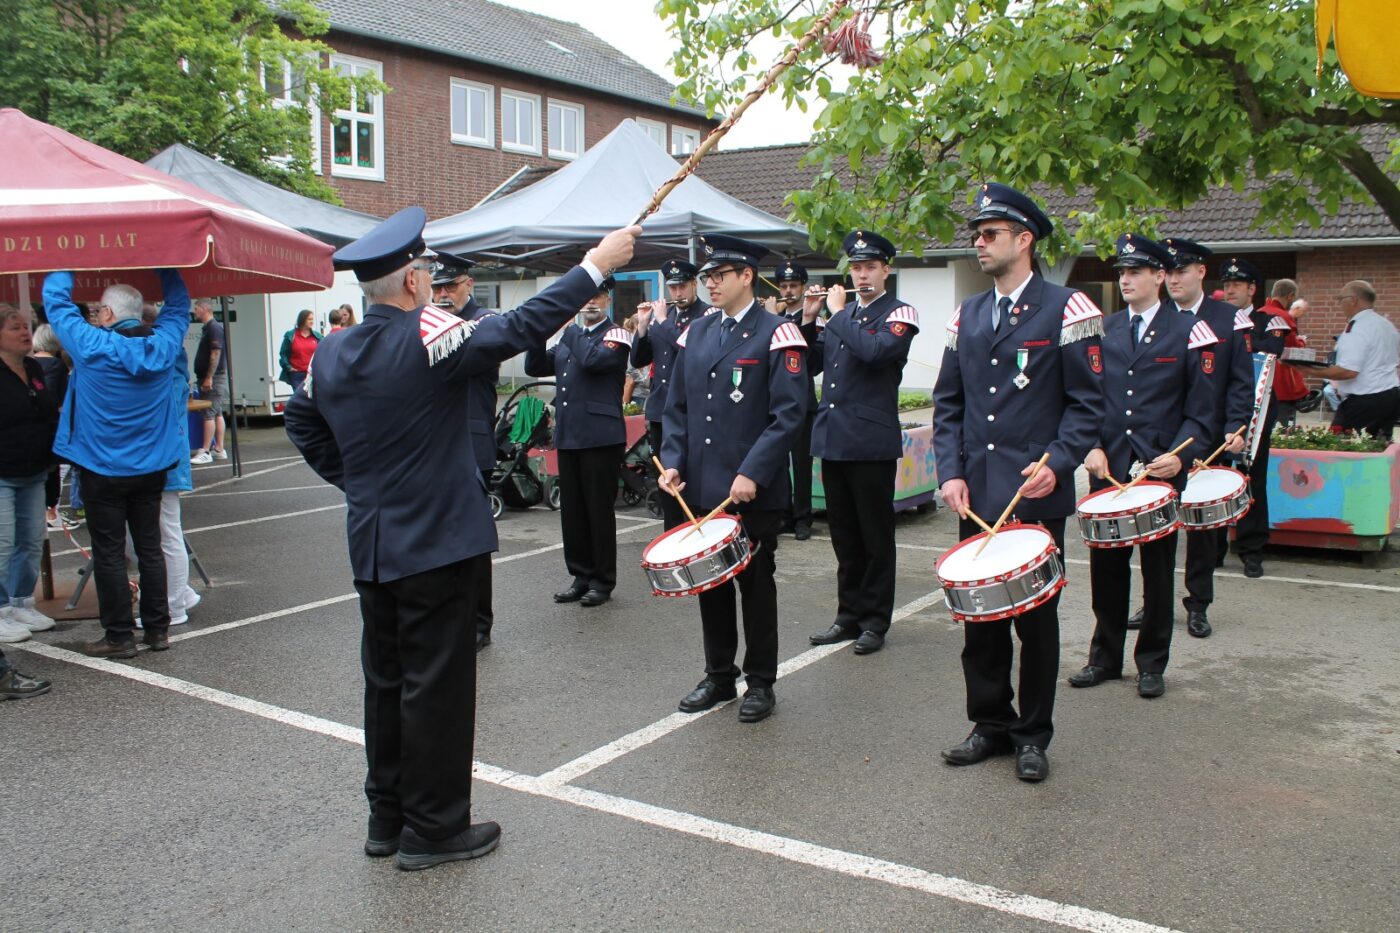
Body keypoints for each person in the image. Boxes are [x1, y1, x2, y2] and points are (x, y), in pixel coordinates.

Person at [285, 206, 638, 870]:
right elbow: (519, 326)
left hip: (374, 538)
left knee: (385, 681)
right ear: (414, 281)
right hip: (438, 540)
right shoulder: (426, 332)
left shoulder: (332, 348)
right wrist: (597, 262)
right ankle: (435, 827)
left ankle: (386, 817)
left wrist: (357, 483)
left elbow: (302, 421)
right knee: (436, 688)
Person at [932, 183, 1105, 782]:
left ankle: (1033, 735)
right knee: (980, 621)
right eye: (976, 235)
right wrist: (950, 473)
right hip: (978, 492)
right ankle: (991, 724)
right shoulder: (968, 313)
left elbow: (1087, 405)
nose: (978, 244)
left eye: (990, 235)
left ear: (1024, 240)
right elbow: (947, 403)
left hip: (1033, 490)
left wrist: (1058, 461)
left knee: (1036, 621)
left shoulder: (1069, 307)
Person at [658, 233, 807, 724]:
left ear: (747, 276)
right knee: (711, 586)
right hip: (702, 486)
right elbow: (677, 408)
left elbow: (789, 413)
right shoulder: (696, 332)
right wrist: (673, 460)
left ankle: (760, 680)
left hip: (750, 491)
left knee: (756, 587)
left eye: (720, 276)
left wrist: (753, 472)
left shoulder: (778, 332)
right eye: (708, 277)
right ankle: (719, 674)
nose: (711, 285)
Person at [1069, 234, 1217, 702]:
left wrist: (1180, 454)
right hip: (1108, 466)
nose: (1125, 279)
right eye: (1121, 272)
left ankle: (1152, 662)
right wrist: (1089, 447)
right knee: (1106, 567)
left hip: (1160, 467)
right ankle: (1104, 657)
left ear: (1160, 276)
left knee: (1156, 570)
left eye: (1135, 272)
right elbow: (1083, 397)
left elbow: (1203, 411)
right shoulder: (1103, 328)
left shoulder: (1190, 330)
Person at [45, 271, 189, 658]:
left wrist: (64, 265)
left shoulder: (90, 344)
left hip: (101, 468)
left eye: (97, 310)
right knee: (151, 548)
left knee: (109, 553)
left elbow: (56, 305)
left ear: (106, 312)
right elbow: (179, 307)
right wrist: (168, 268)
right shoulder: (165, 345)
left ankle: (119, 636)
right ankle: (158, 630)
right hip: (152, 468)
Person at [1120, 237, 1254, 639]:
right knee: (1155, 527)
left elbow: (1240, 382)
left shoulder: (1228, 320)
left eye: (1181, 271)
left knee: (1200, 526)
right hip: (1157, 442)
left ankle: (1198, 602)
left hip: (1208, 439)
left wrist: (1236, 426)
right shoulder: (1150, 319)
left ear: (1200, 273)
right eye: (1169, 272)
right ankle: (1153, 601)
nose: (1174, 279)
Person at [805, 233, 919, 655]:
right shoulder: (842, 314)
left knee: (875, 536)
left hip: (870, 441)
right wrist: (809, 318)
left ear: (886, 269)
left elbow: (875, 352)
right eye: (855, 267)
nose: (862, 275)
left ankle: (875, 620)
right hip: (833, 438)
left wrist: (836, 317)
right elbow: (811, 363)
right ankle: (847, 615)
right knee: (844, 536)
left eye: (870, 267)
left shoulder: (900, 313)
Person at [526, 278, 631, 608]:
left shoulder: (616, 335)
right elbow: (535, 366)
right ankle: (581, 575)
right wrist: (539, 332)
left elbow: (594, 361)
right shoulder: (571, 338)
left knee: (598, 512)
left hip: (600, 437)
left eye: (596, 295)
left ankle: (602, 580)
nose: (590, 302)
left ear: (607, 299)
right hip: (570, 435)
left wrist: (569, 329)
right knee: (573, 513)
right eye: (584, 296)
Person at [430, 250, 499, 650]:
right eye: (437, 286)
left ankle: (478, 622)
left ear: (468, 285)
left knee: (472, 541)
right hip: (436, 444)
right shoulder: (433, 322)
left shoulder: (483, 322)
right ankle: (449, 615)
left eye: (450, 286)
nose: (442, 294)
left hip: (471, 445)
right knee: (440, 536)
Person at [632, 258, 711, 528]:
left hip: (691, 409)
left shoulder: (707, 316)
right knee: (664, 473)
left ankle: (695, 524)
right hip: (659, 409)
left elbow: (687, 350)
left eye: (682, 287)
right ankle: (671, 526)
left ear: (693, 285)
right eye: (672, 288)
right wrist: (643, 327)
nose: (677, 294)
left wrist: (663, 321)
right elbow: (638, 359)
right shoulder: (663, 319)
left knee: (689, 471)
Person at [1220, 258, 1284, 578]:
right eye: (1226, 284)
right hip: (1218, 413)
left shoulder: (1268, 321)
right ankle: (1213, 546)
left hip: (1256, 415)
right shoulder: (1213, 319)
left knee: (1252, 479)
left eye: (1236, 285)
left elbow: (1271, 349)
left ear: (1252, 289)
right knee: (1214, 479)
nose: (1229, 290)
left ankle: (1251, 549)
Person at [1, 302, 60, 642]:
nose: (25, 332)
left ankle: (21, 601)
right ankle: (0, 609)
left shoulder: (35, 370)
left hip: (34, 471)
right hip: (3, 471)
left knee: (31, 540)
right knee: (2, 542)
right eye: (15, 327)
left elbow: (47, 415)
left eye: (27, 325)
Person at [1294, 280, 1400, 439]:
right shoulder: (1387, 325)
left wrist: (1308, 370)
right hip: (1391, 394)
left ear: (1353, 300)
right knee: (1380, 447)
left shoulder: (1357, 327)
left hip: (1365, 399)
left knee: (1337, 446)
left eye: (1341, 298)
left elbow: (1349, 371)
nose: (1339, 303)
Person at [764, 262, 816, 540]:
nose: (788, 291)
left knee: (801, 464)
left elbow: (810, 360)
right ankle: (784, 513)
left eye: (793, 286)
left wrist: (780, 319)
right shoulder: (772, 318)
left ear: (803, 288)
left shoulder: (813, 319)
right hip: (773, 401)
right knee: (777, 462)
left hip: (802, 403)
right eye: (783, 287)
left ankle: (803, 517)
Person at [30, 323, 74, 531]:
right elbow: (64, 400)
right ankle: (51, 511)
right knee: (57, 468)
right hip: (53, 424)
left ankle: (46, 511)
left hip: (32, 426)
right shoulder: (57, 366)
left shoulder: (27, 364)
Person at [1262, 279, 1309, 426]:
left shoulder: (1259, 312)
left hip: (1260, 376)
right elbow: (1292, 347)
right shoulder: (1284, 317)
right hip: (1281, 378)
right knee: (1281, 426)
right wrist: (1302, 342)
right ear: (1290, 296)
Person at [190, 299, 229, 464]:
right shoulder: (210, 328)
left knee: (208, 413)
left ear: (204, 308)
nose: (194, 311)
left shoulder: (213, 328)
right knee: (217, 412)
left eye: (196, 308)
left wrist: (209, 377)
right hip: (212, 376)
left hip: (213, 377)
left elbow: (215, 353)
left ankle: (205, 450)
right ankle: (219, 448)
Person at [278, 309, 320, 397]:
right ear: (302, 320)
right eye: (309, 319)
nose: (312, 321)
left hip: (312, 375)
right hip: (297, 374)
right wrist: (288, 367)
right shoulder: (291, 335)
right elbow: (283, 353)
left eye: (312, 319)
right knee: (301, 398)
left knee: (312, 399)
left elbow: (322, 353)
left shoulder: (317, 336)